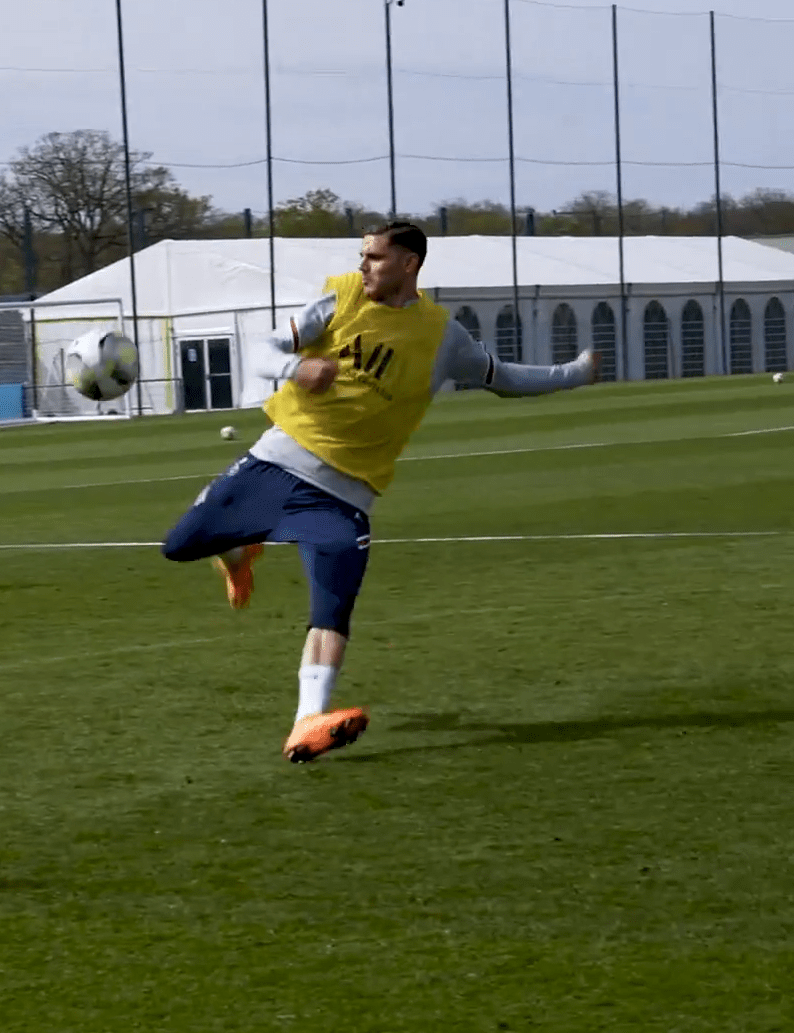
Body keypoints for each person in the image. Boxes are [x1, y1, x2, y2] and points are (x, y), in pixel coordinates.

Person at [161, 222, 597, 763]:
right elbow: (263, 349)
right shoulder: (340, 297)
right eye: (362, 256)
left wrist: (572, 374)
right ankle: (235, 548)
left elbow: (504, 377)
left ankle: (306, 722)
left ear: (409, 264)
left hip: (345, 499)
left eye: (375, 258)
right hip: (276, 464)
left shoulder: (441, 335)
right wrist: (297, 367)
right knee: (179, 544)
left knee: (332, 611)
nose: (364, 266)